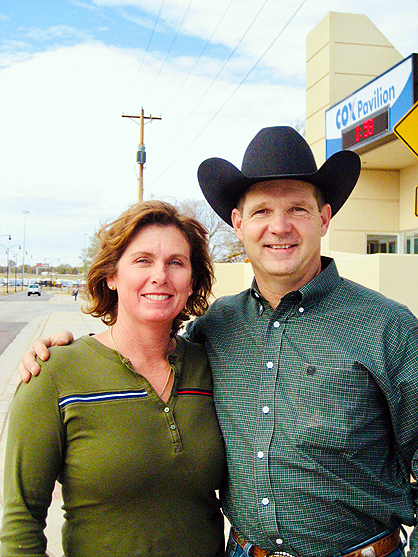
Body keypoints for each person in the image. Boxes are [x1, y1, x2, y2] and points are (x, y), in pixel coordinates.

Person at [17, 127, 418, 557]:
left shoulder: (388, 328)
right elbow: (147, 345)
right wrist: (68, 356)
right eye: (261, 211)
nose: (279, 227)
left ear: (323, 218)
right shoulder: (216, 328)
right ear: (239, 224)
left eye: (297, 209)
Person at [1, 200, 226, 557]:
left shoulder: (212, 366)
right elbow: (20, 524)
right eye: (142, 260)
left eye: (176, 262)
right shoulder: (53, 374)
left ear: (191, 281)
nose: (160, 275)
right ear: (111, 276)